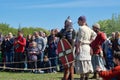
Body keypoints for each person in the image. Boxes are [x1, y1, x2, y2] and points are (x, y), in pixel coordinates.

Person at [75, 16, 96, 80]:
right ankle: (86, 77)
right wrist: (89, 41)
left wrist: (77, 48)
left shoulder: (81, 28)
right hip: (87, 47)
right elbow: (95, 34)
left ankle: (82, 77)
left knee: (82, 62)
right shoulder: (89, 29)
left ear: (82, 21)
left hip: (82, 47)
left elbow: (80, 40)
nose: (77, 22)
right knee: (87, 62)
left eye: (78, 21)